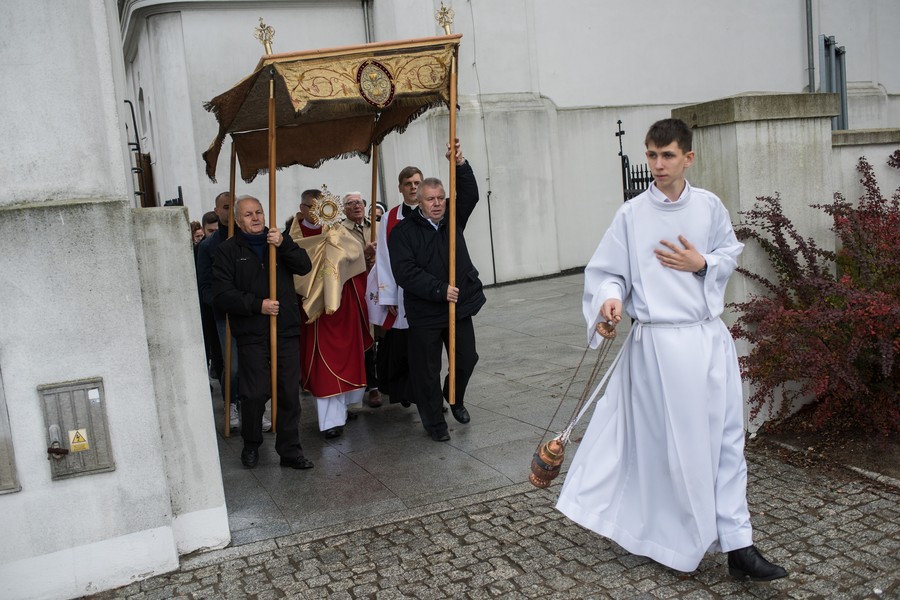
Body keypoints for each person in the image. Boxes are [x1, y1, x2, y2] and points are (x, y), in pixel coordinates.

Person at [555, 118, 788, 581]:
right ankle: (677, 539)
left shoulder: (709, 207)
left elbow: (727, 252)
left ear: (688, 158)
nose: (658, 165)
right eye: (651, 155)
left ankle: (739, 543)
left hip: (708, 338)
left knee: (726, 441)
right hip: (660, 345)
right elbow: (607, 272)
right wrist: (610, 302)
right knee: (679, 450)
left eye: (667, 156)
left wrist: (702, 263)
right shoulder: (632, 215)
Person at [389, 141, 484, 441]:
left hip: (459, 306)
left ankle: (453, 395)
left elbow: (470, 194)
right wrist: (440, 289)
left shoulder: (452, 220)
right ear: (419, 200)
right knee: (426, 371)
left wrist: (459, 163)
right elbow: (405, 273)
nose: (438, 203)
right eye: (431, 199)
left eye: (441, 197)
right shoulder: (402, 233)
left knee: (467, 358)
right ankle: (435, 424)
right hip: (426, 311)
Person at [212, 195, 314, 470]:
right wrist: (258, 305)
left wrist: (285, 245)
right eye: (248, 214)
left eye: (258, 212)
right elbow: (221, 295)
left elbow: (304, 266)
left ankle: (290, 451)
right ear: (237, 220)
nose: (255, 218)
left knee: (289, 392)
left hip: (285, 329)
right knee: (254, 393)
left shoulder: (278, 242)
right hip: (252, 332)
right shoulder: (227, 251)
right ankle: (252, 443)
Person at [289, 189, 373, 439]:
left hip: (342, 306)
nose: (319, 213)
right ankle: (330, 422)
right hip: (314, 310)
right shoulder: (291, 238)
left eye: (323, 207)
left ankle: (346, 406)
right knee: (323, 366)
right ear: (302, 208)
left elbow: (355, 258)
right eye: (313, 208)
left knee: (346, 358)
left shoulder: (338, 231)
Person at [366, 166, 423, 408]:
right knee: (404, 347)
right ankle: (407, 391)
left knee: (426, 350)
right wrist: (389, 297)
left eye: (417, 183)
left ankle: (426, 395)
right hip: (401, 292)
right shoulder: (389, 218)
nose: (413, 187)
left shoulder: (432, 211)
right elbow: (384, 258)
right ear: (400, 187)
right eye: (408, 183)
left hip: (428, 292)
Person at [341, 192, 380, 407]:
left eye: (360, 202)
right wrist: (363, 255)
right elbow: (341, 262)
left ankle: (383, 381)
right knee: (364, 335)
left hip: (379, 285)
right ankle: (370, 386)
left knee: (381, 336)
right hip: (356, 289)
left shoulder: (376, 225)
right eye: (351, 203)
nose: (356, 206)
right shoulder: (340, 231)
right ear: (344, 208)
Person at [197, 210, 223, 380]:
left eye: (216, 230)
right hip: (210, 309)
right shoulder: (201, 249)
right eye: (210, 231)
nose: (213, 234)